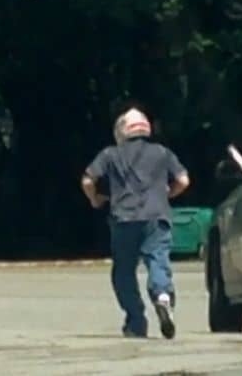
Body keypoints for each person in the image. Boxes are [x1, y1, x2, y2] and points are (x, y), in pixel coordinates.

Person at [80, 108, 190, 339]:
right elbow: (183, 180)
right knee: (158, 259)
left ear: (122, 130)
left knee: (124, 271)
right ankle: (162, 296)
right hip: (157, 216)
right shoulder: (162, 152)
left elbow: (88, 180)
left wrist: (94, 199)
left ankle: (136, 320)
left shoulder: (110, 154)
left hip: (124, 219)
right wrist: (168, 194)